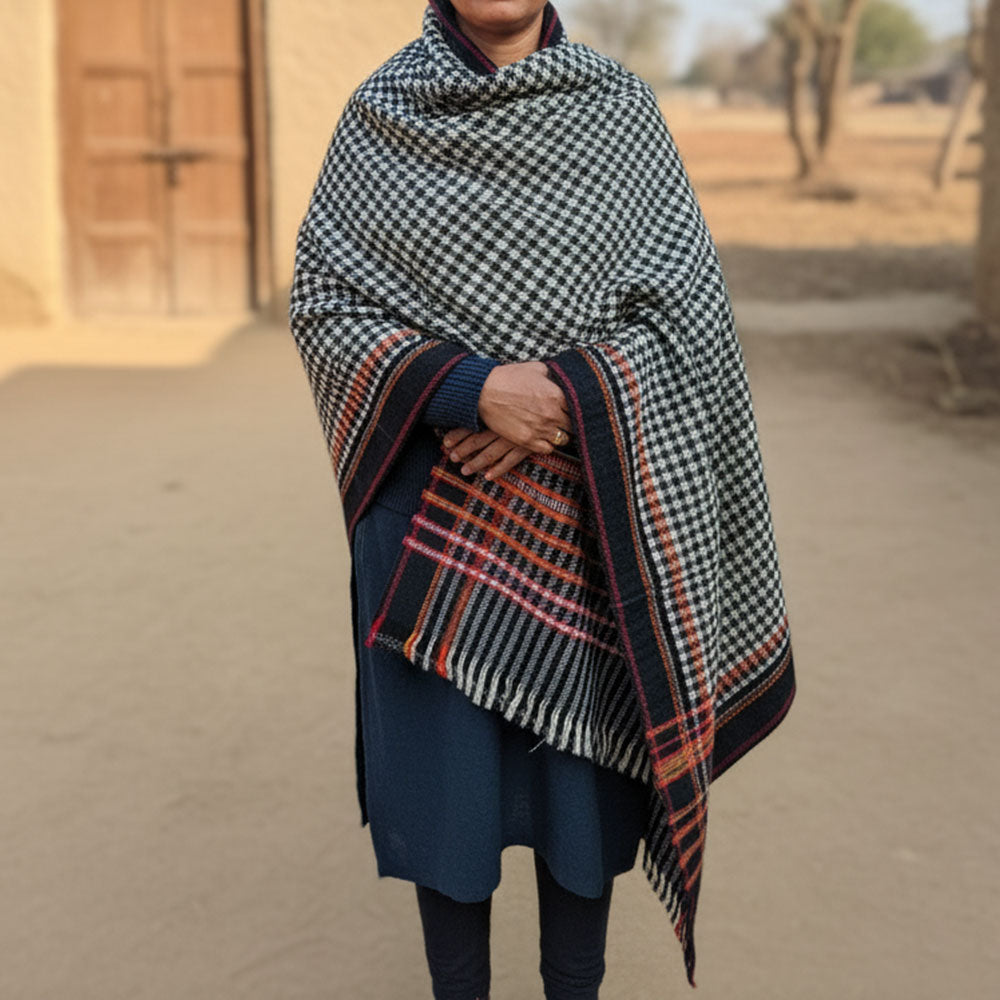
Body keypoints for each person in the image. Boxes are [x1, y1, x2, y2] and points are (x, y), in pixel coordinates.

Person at [288, 1, 797, 996]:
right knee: (448, 818)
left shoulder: (618, 110)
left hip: (588, 532)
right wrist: (467, 389)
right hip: (430, 531)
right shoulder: (379, 114)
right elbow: (324, 304)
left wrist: (563, 393)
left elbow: (685, 314)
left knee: (583, 817)